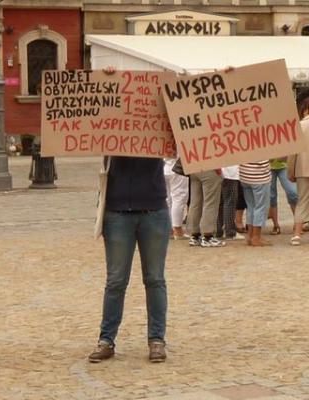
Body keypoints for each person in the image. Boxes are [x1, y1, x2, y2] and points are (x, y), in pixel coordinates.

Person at [89, 65, 169, 364]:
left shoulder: (161, 121)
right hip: (118, 209)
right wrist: (104, 80)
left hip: (153, 207)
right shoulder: (108, 123)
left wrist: (224, 75)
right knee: (115, 280)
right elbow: (89, 116)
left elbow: (190, 113)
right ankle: (106, 339)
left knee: (155, 279)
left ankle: (157, 339)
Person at [287, 90, 309, 245]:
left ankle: (296, 234)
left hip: (302, 168)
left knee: (302, 201)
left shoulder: (299, 126)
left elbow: (292, 152)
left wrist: (290, 171)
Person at [187, 168, 225, 247]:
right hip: (210, 168)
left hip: (194, 167)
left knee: (195, 203)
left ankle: (195, 236)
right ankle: (208, 236)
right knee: (211, 203)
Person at [240, 160, 272, 246]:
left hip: (244, 174)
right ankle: (256, 237)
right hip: (259, 176)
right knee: (260, 207)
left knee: (251, 207)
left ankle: (250, 236)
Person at [268, 158, 298, 235]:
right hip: (268, 166)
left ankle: (298, 223)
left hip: (284, 165)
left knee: (292, 193)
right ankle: (275, 225)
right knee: (271, 196)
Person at [217, 165, 245, 240]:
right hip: (230, 174)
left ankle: (218, 230)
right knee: (230, 202)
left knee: (221, 203)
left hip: (220, 173)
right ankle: (230, 232)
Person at [164, 157, 188, 239]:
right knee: (179, 198)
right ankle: (177, 230)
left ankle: (169, 229)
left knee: (168, 200)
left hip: (165, 166)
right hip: (177, 167)